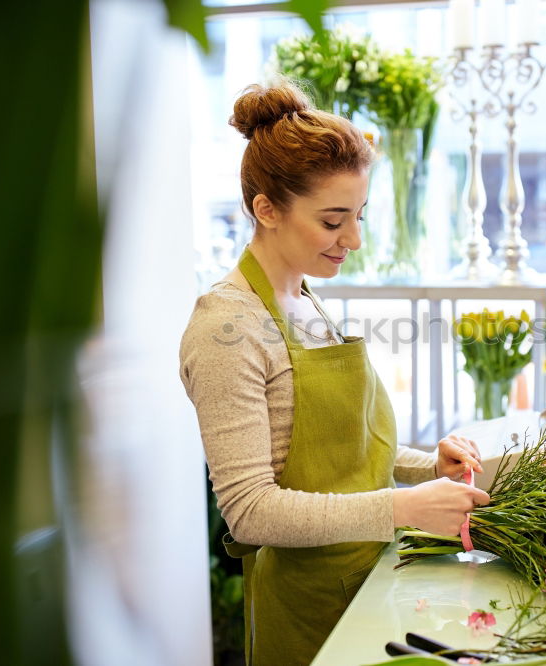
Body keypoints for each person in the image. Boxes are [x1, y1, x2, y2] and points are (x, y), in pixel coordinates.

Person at [179, 81, 492, 666]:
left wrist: (428, 465)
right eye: (332, 221)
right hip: (306, 608)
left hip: (368, 577)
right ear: (265, 209)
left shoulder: (301, 296)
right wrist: (404, 507)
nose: (353, 240)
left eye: (359, 216)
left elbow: (340, 448)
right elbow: (250, 509)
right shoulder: (227, 327)